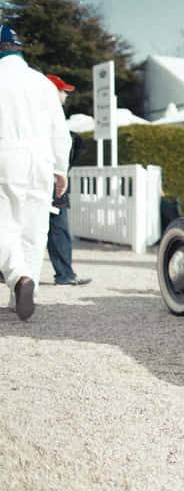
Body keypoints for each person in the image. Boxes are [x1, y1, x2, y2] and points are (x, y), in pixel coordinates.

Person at [0, 25, 71, 321]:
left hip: (5, 155)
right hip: (41, 160)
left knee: (4, 225)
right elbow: (59, 129)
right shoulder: (43, 83)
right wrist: (60, 169)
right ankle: (25, 296)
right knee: (34, 229)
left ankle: (19, 278)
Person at [45, 74, 91, 286]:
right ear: (54, 91)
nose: (65, 95)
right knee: (59, 227)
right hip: (53, 175)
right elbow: (59, 144)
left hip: (32, 172)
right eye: (63, 91)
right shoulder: (52, 111)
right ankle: (64, 274)